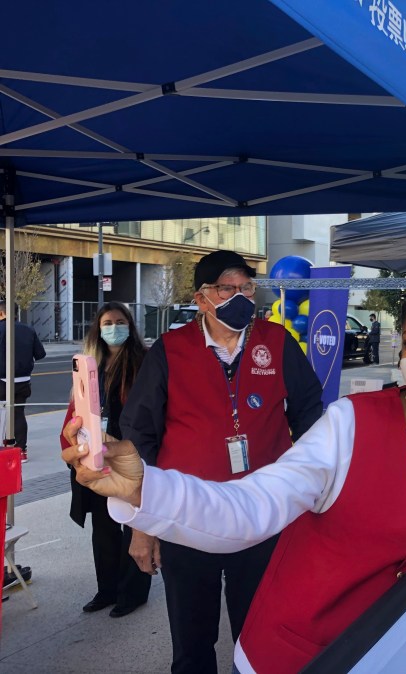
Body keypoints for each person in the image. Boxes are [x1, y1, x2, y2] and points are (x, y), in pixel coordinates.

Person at [64, 285, 406, 674]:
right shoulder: (349, 425)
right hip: (293, 654)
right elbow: (248, 508)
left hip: (388, 657)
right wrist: (145, 487)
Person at [118, 250, 324, 674]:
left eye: (247, 287)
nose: (241, 297)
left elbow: (309, 414)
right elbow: (140, 438)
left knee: (262, 633)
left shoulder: (276, 341)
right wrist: (142, 525)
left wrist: (309, 485)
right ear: (202, 298)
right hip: (189, 516)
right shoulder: (171, 351)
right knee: (192, 642)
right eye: (228, 289)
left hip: (263, 515)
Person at [60, 302, 151, 617]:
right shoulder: (89, 364)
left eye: (120, 321)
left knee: (133, 523)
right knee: (103, 527)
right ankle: (107, 589)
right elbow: (76, 412)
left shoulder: (144, 362)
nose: (114, 327)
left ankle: (133, 592)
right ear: (98, 329)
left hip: (129, 453)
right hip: (96, 453)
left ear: (130, 325)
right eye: (108, 322)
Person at [0, 303, 46, 463]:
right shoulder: (28, 329)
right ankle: (21, 451)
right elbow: (40, 354)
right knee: (18, 414)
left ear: (1, 313)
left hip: (2, 380)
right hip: (23, 380)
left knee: (3, 414)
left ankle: (5, 444)